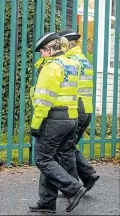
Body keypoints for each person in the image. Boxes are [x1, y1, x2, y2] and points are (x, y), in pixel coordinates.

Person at [29, 32, 86, 214]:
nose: (41, 55)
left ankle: (73, 188)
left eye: (42, 52)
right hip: (70, 118)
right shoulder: (72, 64)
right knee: (51, 158)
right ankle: (47, 202)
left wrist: (36, 125)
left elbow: (44, 99)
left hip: (54, 119)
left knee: (42, 158)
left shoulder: (51, 67)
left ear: (48, 50)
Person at [58, 29, 99, 190]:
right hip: (86, 108)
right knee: (70, 144)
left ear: (66, 44)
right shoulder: (83, 59)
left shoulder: (70, 61)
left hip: (76, 107)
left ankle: (73, 187)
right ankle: (88, 175)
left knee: (65, 148)